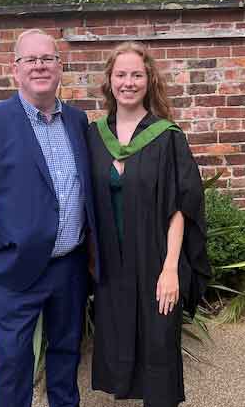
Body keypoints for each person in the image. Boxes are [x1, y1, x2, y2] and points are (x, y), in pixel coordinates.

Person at [0, 29, 99, 407]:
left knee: (66, 357)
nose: (40, 66)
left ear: (60, 67)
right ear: (14, 70)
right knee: (15, 365)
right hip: (12, 271)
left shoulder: (77, 122)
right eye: (30, 59)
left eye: (47, 58)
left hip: (68, 270)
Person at [86, 41, 211, 407]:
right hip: (112, 262)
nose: (128, 82)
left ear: (149, 80)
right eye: (120, 74)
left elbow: (180, 207)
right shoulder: (94, 137)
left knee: (159, 342)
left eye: (136, 74)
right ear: (109, 81)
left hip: (156, 257)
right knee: (119, 336)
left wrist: (171, 268)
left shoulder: (167, 137)